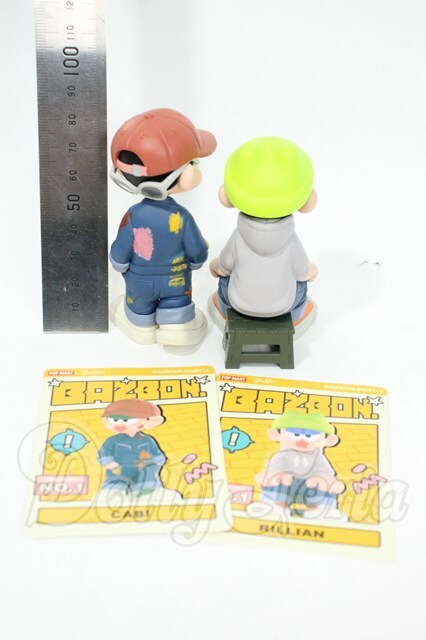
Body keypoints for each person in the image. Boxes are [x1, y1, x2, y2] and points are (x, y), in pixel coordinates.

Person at [109, 108, 216, 346]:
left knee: (138, 304)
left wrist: (119, 263)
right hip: (175, 280)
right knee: (177, 302)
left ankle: (141, 323)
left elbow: (119, 254)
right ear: (186, 174)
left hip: (139, 282)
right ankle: (176, 325)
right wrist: (198, 259)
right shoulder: (181, 217)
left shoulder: (133, 216)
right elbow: (197, 253)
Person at [209, 136, 318, 336]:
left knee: (224, 279)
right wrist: (311, 271)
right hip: (283, 306)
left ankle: (224, 311)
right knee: (301, 284)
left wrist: (215, 266)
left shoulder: (238, 237)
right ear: (307, 199)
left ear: (227, 194)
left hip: (238, 304)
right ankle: (295, 317)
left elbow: (223, 266)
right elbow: (303, 271)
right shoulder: (291, 242)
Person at [247, 411, 347, 521]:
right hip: (284, 487)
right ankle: (274, 505)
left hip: (310, 488)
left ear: (328, 441)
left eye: (310, 436)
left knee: (325, 484)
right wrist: (278, 475)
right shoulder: (281, 456)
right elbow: (273, 470)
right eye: (295, 434)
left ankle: (321, 510)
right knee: (274, 479)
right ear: (276, 435)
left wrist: (322, 480)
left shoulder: (319, 458)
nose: (302, 440)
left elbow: (326, 474)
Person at [98, 399, 166, 495]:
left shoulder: (147, 440)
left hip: (144, 472)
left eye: (126, 420)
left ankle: (148, 494)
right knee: (114, 488)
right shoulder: (112, 441)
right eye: (115, 420)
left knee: (147, 488)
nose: (121, 424)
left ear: (148, 420)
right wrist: (108, 462)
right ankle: (111, 495)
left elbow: (157, 453)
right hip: (119, 470)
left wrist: (156, 462)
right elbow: (104, 453)